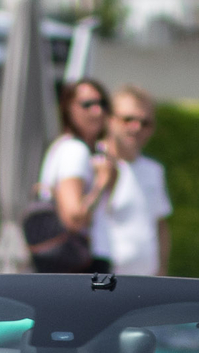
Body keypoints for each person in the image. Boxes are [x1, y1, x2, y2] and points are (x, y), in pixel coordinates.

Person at [91, 85, 171, 277]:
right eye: (128, 119)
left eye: (145, 123)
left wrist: (162, 270)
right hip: (102, 278)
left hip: (146, 281)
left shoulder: (154, 170)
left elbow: (160, 225)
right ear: (110, 120)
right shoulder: (93, 161)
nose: (136, 128)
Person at [38, 78, 116, 250]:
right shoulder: (74, 150)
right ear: (68, 108)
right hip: (80, 262)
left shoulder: (77, 148)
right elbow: (74, 219)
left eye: (102, 103)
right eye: (87, 104)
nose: (97, 111)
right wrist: (102, 181)